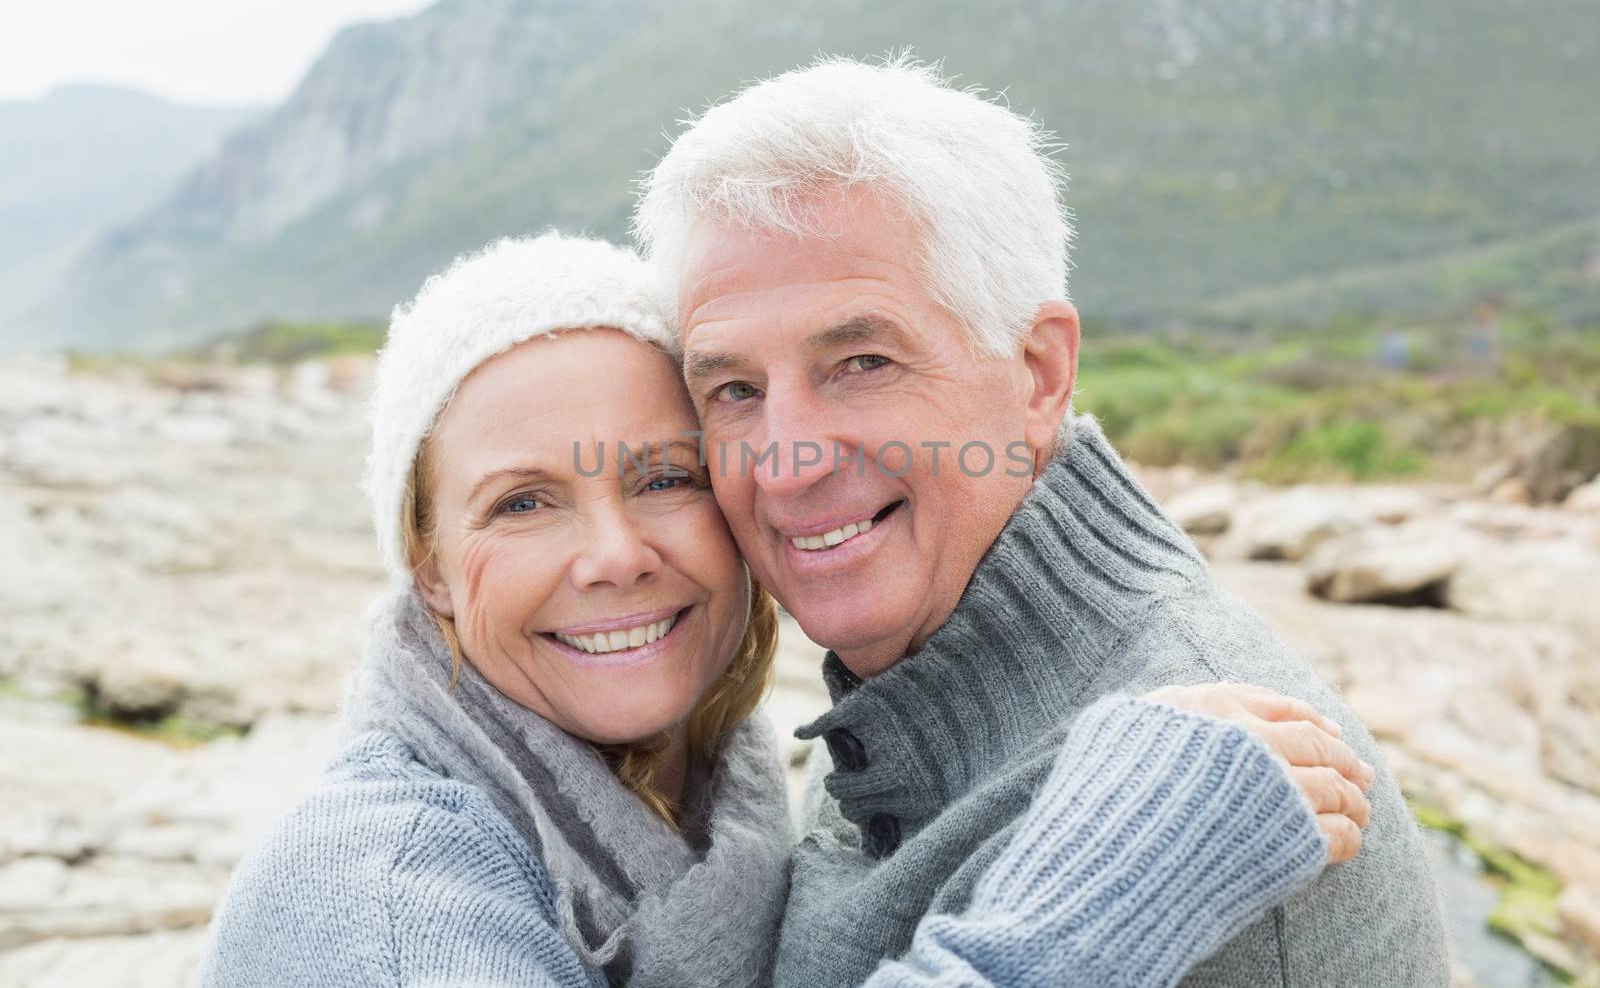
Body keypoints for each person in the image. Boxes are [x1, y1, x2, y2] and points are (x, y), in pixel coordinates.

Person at [194, 233, 1369, 987]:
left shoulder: (724, 801)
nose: (612, 555)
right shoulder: (386, 903)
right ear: (431, 566)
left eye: (663, 477)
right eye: (521, 502)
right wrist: (1098, 900)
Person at [634, 56, 1452, 985]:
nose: (786, 461)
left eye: (862, 361)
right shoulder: (911, 676)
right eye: (735, 389)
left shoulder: (1204, 810)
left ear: (1038, 374)